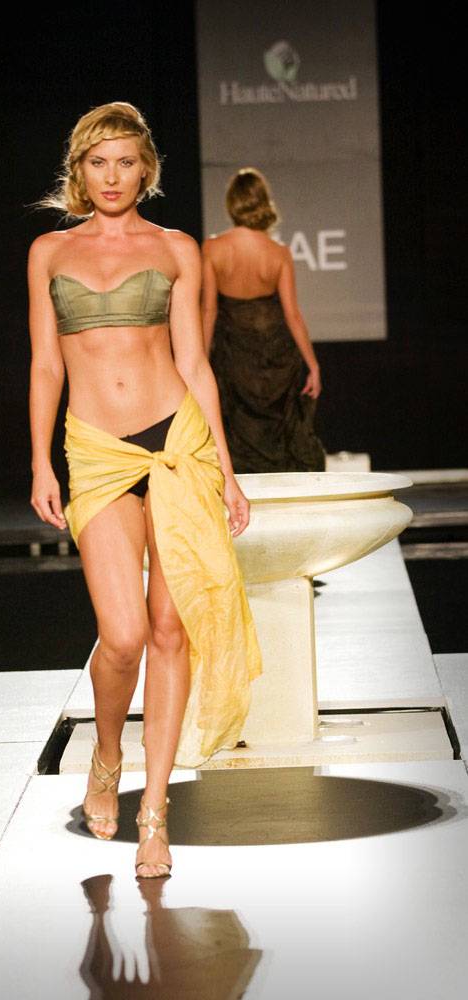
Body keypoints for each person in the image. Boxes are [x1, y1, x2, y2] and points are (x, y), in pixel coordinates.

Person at [28, 102, 262, 879]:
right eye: (98, 163)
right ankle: (106, 753)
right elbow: (45, 365)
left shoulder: (175, 248)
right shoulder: (48, 251)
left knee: (170, 630)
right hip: (95, 450)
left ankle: (153, 812)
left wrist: (224, 465)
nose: (111, 177)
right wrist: (40, 464)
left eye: (125, 163)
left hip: (178, 442)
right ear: (79, 169)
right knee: (122, 634)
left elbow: (194, 362)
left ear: (146, 170)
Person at [201, 167, 326, 473]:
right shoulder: (278, 253)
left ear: (233, 202)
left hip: (233, 355)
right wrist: (313, 364)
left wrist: (200, 362)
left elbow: (208, 311)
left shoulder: (214, 248)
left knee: (236, 429)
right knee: (280, 432)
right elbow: (292, 314)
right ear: (263, 201)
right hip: (275, 356)